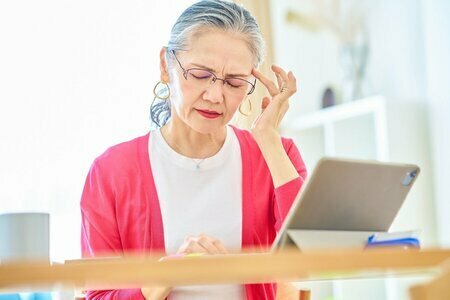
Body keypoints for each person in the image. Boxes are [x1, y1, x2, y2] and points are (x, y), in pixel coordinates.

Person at [80, 0, 307, 299]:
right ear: (166, 65)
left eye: (235, 82)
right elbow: (96, 295)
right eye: (200, 74)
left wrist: (266, 136)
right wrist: (158, 282)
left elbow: (306, 257)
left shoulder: (278, 156)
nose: (215, 96)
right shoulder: (110, 172)